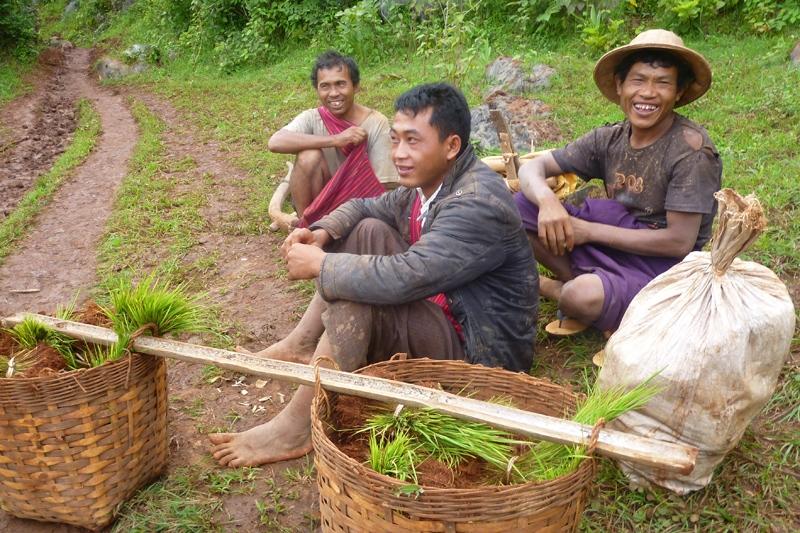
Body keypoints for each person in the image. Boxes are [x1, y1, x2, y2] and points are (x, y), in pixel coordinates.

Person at [210, 83, 538, 467]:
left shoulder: (476, 202)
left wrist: (322, 264)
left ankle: (295, 428)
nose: (399, 154)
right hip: (448, 310)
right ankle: (301, 344)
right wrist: (323, 232)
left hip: (481, 355)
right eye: (395, 139)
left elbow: (407, 275)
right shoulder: (431, 183)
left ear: (451, 146)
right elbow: (370, 206)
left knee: (356, 292)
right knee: (366, 231)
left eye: (413, 142)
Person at [515, 29, 722, 335]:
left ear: (678, 92)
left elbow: (679, 241)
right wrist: (547, 203)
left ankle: (558, 288)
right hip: (608, 243)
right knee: (517, 207)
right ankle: (583, 279)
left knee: (579, 296)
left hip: (660, 265)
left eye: (662, 83)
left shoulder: (692, 152)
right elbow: (534, 167)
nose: (648, 93)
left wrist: (588, 232)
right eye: (638, 80)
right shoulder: (609, 139)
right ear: (620, 85)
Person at [268, 50, 398, 227]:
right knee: (308, 156)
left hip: (361, 211)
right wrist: (336, 140)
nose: (334, 93)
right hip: (319, 208)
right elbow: (275, 142)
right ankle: (307, 226)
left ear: (356, 86)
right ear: (317, 90)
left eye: (341, 84)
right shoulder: (313, 118)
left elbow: (384, 187)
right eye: (325, 86)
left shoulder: (376, 123)